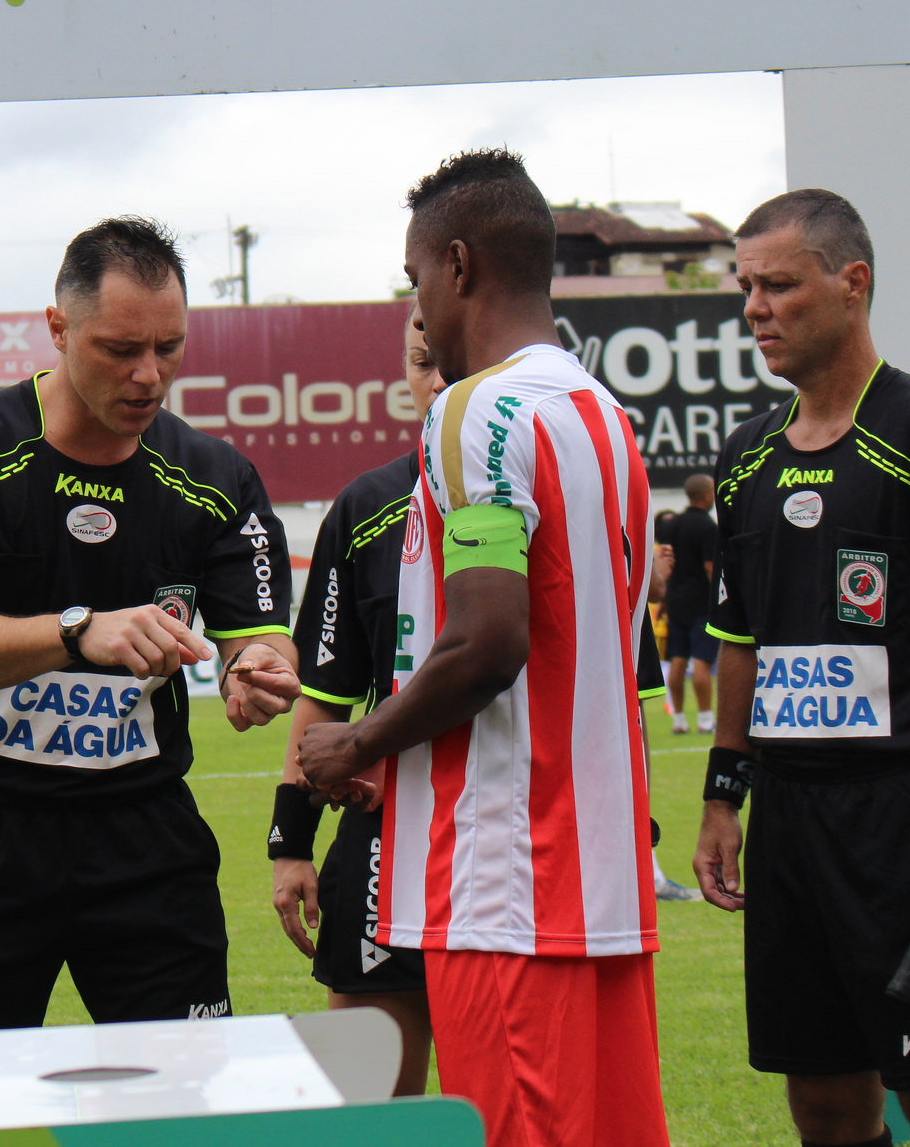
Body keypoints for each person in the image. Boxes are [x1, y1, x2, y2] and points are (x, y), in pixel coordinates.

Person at [298, 149, 669, 1147]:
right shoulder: (602, 418)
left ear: (456, 265)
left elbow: (487, 642)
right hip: (596, 882)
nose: (417, 309)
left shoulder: (476, 412)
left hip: (502, 884)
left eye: (415, 278)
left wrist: (357, 744)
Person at [0, 216, 302, 1034]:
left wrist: (258, 669)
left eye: (170, 348)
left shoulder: (217, 478)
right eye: (119, 349)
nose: (149, 375)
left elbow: (261, 633)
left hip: (144, 837)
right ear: (57, 328)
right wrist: (79, 631)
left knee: (188, 1103)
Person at [693, 189, 910, 1147]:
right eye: (746, 286)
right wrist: (723, 795)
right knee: (825, 1100)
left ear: (852, 284)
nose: (755, 306)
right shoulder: (746, 457)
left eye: (779, 284)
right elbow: (740, 642)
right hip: (791, 818)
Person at [269, 304, 443, 1097]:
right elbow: (326, 697)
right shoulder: (368, 505)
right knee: (376, 1110)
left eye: (452, 359)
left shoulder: (570, 492)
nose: (437, 380)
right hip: (385, 846)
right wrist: (291, 843)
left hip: (520, 849)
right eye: (420, 361)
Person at [663, 474, 718, 735]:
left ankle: (679, 719)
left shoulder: (673, 524)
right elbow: (710, 568)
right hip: (701, 602)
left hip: (675, 600)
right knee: (702, 662)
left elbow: (666, 564)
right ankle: (706, 718)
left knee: (678, 659)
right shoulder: (708, 527)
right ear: (707, 494)